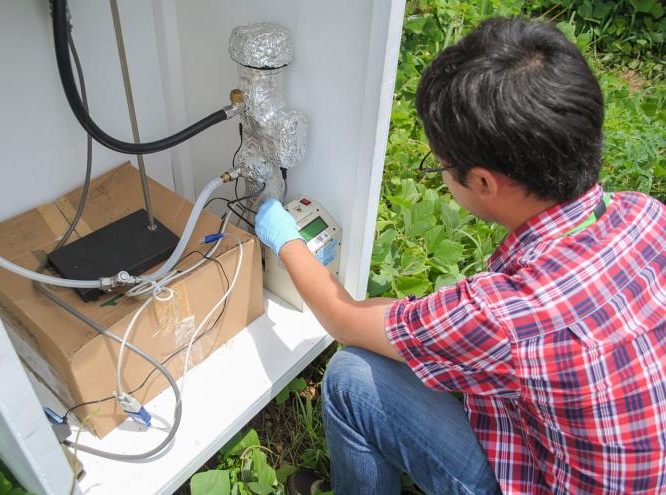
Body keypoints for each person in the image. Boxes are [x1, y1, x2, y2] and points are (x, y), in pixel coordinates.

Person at [254, 17, 666, 495]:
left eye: (441, 165)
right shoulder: (648, 215)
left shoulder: (503, 315)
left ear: (485, 182)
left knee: (351, 379)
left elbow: (344, 320)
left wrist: (286, 238)